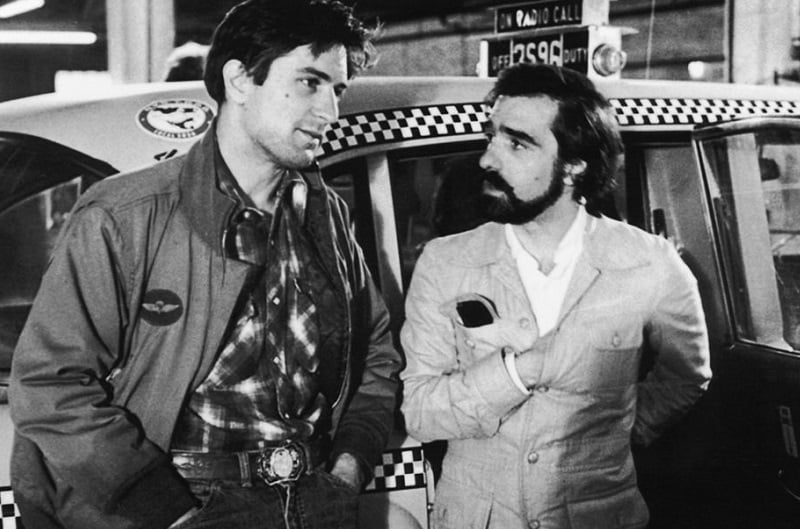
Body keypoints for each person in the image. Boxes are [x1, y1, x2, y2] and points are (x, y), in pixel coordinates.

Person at [9, 1, 401, 528]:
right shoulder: (127, 215)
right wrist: (164, 509)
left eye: (338, 90)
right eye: (310, 82)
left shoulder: (323, 214)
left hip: (315, 498)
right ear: (238, 80)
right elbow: (50, 382)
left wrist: (349, 467)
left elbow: (376, 354)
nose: (330, 111)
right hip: (185, 503)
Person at [400, 63, 712, 529]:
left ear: (574, 166)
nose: (487, 159)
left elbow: (686, 376)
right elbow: (421, 413)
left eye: (517, 144)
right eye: (491, 138)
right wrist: (518, 372)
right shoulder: (445, 262)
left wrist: (617, 432)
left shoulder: (649, 263)